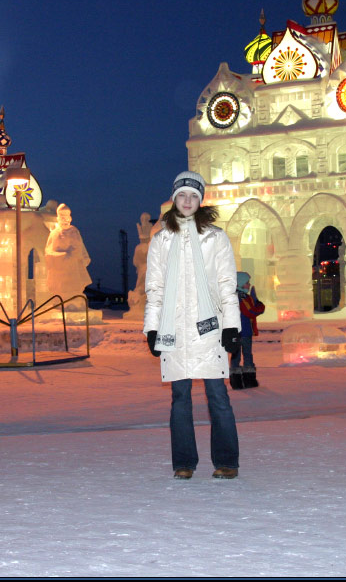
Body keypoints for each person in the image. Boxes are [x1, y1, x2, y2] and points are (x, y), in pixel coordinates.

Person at [144, 171, 242, 480]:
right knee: (180, 398)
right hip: (174, 329)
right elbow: (155, 288)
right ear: (174, 200)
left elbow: (227, 284)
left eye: (193, 196)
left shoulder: (215, 237)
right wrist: (151, 328)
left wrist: (231, 326)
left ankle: (227, 461)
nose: (187, 201)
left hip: (209, 327)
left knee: (218, 397)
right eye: (182, 195)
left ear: (200, 201)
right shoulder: (161, 240)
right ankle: (183, 462)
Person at [230, 271, 265, 390]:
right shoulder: (242, 297)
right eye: (246, 283)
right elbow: (251, 311)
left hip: (237, 331)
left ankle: (238, 380)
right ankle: (247, 380)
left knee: (237, 356)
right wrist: (260, 305)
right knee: (246, 355)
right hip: (243, 332)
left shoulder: (234, 296)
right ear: (239, 284)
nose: (249, 285)